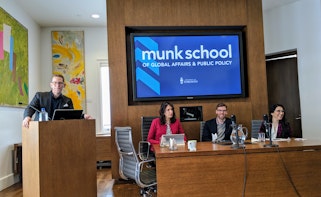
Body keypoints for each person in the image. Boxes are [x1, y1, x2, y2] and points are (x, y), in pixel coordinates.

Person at [22, 74, 92, 128]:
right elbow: (30, 107)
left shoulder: (67, 100)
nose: (57, 85)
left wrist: (83, 116)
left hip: (59, 131)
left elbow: (71, 116)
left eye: (60, 83)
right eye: (55, 83)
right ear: (51, 85)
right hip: (41, 129)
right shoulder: (40, 96)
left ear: (64, 85)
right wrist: (27, 117)